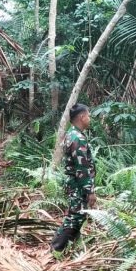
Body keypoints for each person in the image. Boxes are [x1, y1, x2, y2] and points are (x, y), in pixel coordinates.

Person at [51, 103, 96, 252]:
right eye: (88, 115)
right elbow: (81, 167)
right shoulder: (78, 138)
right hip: (78, 185)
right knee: (75, 217)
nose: (89, 119)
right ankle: (56, 249)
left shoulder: (71, 134)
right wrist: (90, 191)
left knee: (79, 215)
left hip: (75, 184)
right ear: (82, 117)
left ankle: (69, 249)